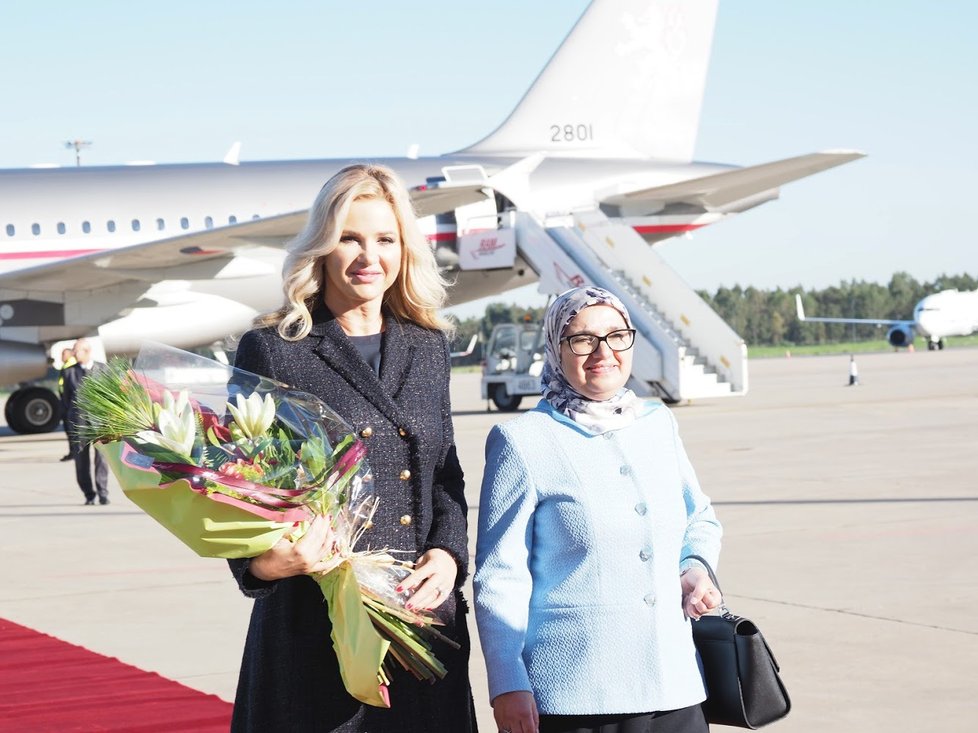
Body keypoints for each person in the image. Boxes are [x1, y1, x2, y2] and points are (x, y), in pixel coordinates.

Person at [228, 164, 476, 732]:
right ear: (321, 246)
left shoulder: (428, 345)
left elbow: (446, 477)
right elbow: (235, 486)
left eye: (385, 239)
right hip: (313, 627)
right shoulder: (274, 349)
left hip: (419, 620)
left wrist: (448, 553)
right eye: (350, 237)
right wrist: (261, 565)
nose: (370, 255)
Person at [474, 286, 723, 733]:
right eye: (583, 339)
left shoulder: (657, 423)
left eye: (616, 335)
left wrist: (694, 566)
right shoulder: (523, 441)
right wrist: (507, 681)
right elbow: (500, 575)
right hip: (577, 695)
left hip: (675, 687)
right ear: (556, 348)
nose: (602, 352)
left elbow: (699, 518)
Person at [61, 339, 109, 505]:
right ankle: (89, 494)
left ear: (87, 351)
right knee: (81, 461)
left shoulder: (103, 369)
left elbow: (110, 397)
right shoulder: (69, 373)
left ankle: (103, 492)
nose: (74, 354)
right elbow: (66, 400)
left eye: (77, 351)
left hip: (99, 423)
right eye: (74, 351)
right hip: (78, 423)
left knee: (102, 459)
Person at [58, 346, 78, 461]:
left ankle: (74, 452)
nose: (61, 357)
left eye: (63, 354)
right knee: (69, 429)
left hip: (70, 403)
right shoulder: (66, 365)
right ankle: (72, 452)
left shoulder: (71, 367)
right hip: (66, 401)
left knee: (72, 430)